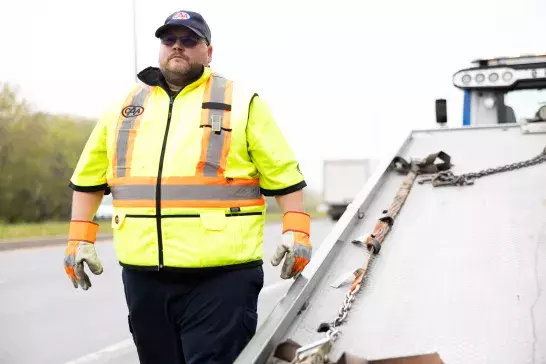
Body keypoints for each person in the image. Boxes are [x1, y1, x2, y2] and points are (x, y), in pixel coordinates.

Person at [63, 9, 313, 364]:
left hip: (221, 280)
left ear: (208, 52)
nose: (177, 46)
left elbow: (284, 174)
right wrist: (78, 239)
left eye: (189, 40)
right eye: (169, 39)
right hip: (144, 278)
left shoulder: (240, 101)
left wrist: (297, 231)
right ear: (160, 48)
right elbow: (88, 178)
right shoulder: (124, 107)